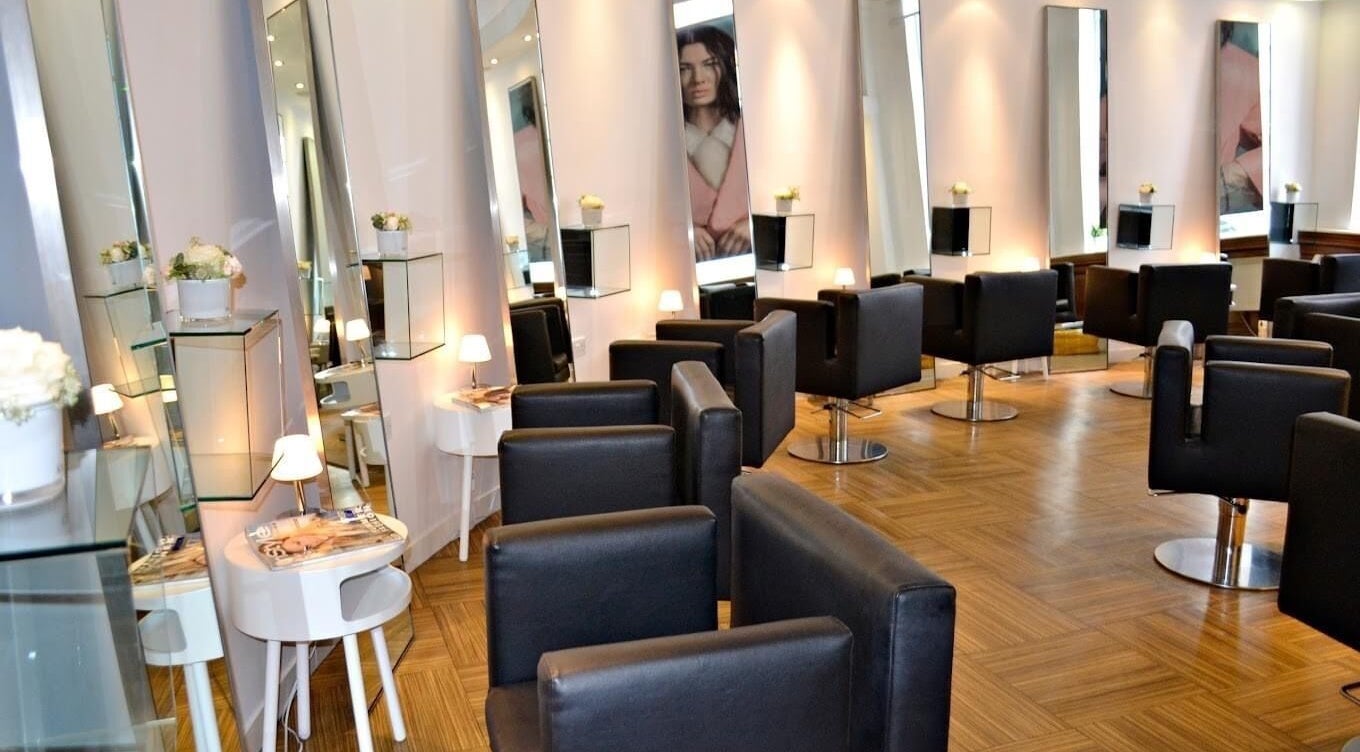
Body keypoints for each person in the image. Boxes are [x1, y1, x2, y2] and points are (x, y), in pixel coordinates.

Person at [678, 24, 751, 261]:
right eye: (684, 69)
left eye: (709, 65)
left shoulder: (750, 129)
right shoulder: (664, 145)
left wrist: (754, 226)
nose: (698, 79)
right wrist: (683, 231)